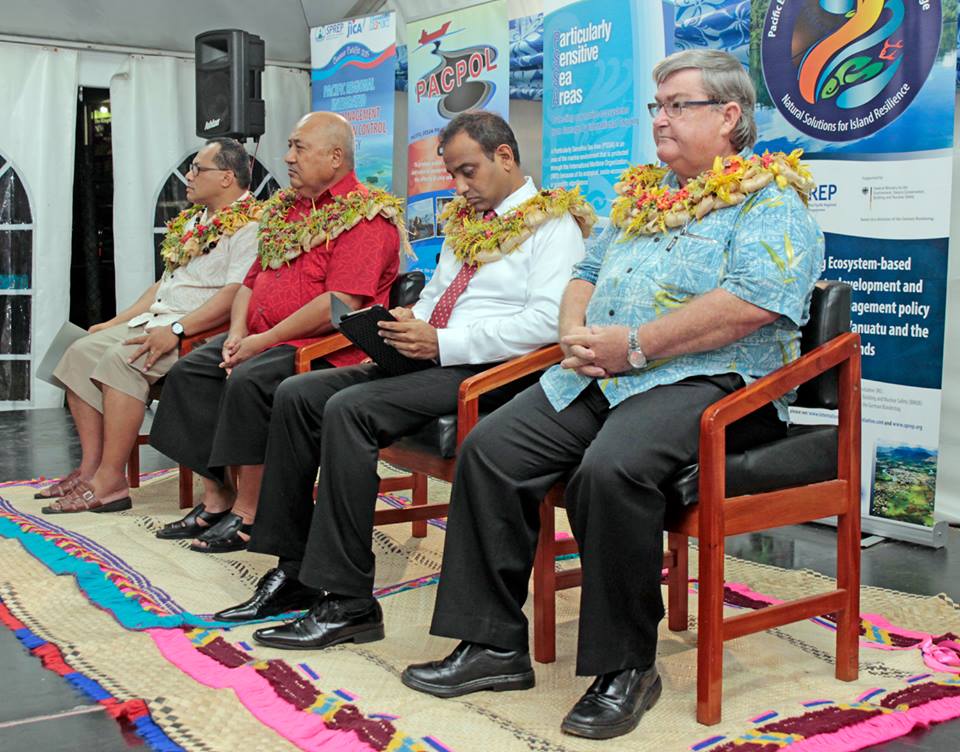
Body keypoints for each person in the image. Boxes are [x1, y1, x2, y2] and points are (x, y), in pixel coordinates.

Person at [403, 50, 825, 740]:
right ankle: (492, 646)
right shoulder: (641, 197)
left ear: (729, 116)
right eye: (657, 105)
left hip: (714, 383)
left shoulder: (772, 201)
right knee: (491, 448)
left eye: (678, 105)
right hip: (605, 370)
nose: (660, 118)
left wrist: (636, 344)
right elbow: (587, 271)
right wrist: (574, 334)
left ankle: (626, 667)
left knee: (610, 470)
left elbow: (751, 303)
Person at [213, 111, 593, 650]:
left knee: (350, 409)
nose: (459, 188)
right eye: (452, 175)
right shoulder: (469, 222)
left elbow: (547, 326)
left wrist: (442, 342)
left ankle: (349, 602)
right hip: (436, 357)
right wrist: (409, 321)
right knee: (297, 394)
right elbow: (439, 295)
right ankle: (295, 569)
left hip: (495, 373)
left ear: (505, 157)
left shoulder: (554, 226)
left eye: (467, 172)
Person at [149, 112, 405, 553]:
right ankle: (218, 497)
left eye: (299, 148)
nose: (287, 157)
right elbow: (250, 282)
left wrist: (259, 343)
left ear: (335, 157)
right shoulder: (288, 208)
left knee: (249, 379)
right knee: (191, 373)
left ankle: (251, 514)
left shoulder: (366, 216)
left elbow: (338, 305)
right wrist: (236, 333)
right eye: (289, 146)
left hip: (320, 347)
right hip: (259, 336)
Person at [39, 138, 260, 514]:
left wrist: (177, 331)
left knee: (120, 359)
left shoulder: (251, 225)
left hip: (195, 333)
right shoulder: (195, 220)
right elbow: (164, 286)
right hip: (156, 321)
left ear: (226, 177)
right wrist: (114, 322)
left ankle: (111, 481)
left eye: (197, 169)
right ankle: (91, 470)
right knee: (77, 351)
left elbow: (235, 295)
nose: (188, 176)